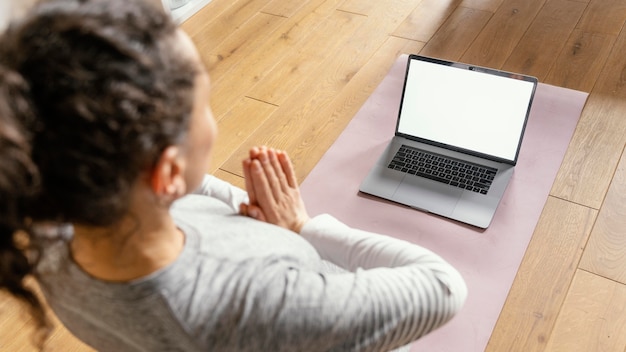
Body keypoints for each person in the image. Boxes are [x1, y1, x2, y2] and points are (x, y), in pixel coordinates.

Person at [0, 0, 467, 351]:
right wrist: (302, 228)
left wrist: (253, 213)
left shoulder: (54, 228)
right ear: (166, 171)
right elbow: (441, 285)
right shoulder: (260, 303)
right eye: (204, 106)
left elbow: (182, 185)